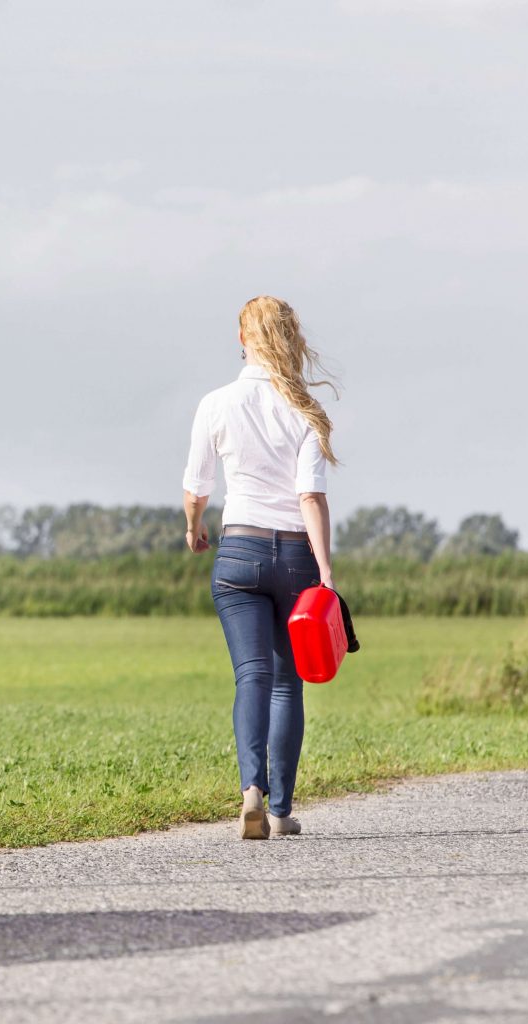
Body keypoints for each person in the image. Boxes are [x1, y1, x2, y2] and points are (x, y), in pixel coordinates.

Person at [181, 296, 339, 840]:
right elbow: (311, 498)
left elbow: (196, 486)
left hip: (238, 553)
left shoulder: (215, 403)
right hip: (294, 556)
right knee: (286, 684)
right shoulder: (304, 409)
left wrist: (194, 527)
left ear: (241, 338)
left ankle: (251, 789)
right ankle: (280, 810)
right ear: (291, 338)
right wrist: (325, 573)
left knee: (251, 674)